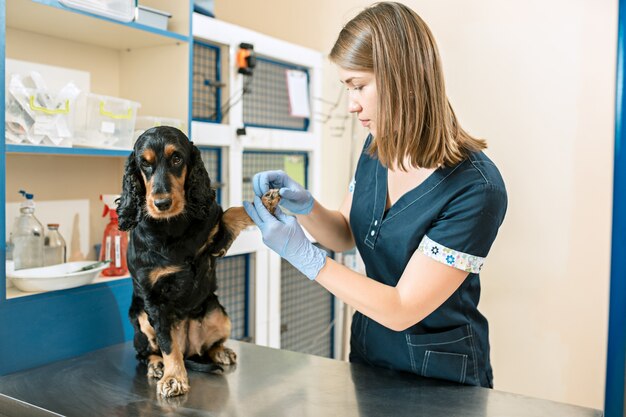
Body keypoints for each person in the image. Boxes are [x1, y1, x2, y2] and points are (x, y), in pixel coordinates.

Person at [243, 1, 507, 388]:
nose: (352, 105)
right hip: (369, 356)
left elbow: (402, 309)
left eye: (359, 86)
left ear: (405, 78)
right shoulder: (377, 147)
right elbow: (347, 234)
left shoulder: (476, 189)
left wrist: (305, 257)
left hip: (440, 377)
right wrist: (306, 207)